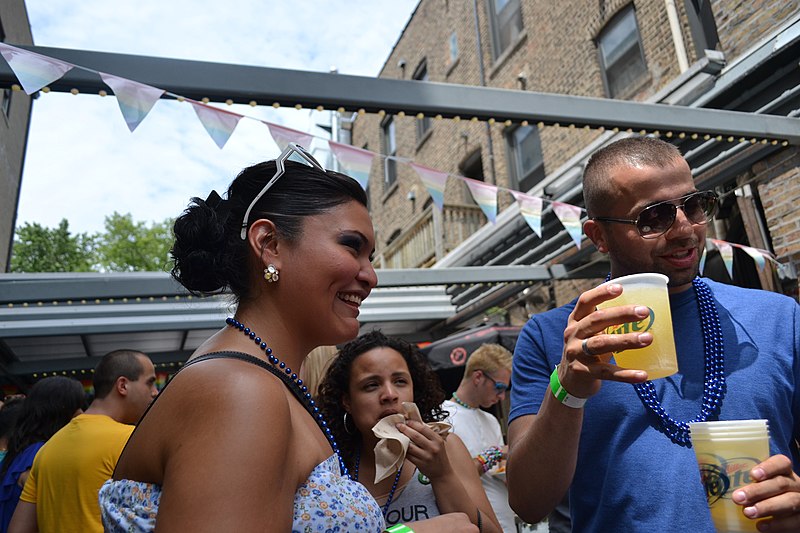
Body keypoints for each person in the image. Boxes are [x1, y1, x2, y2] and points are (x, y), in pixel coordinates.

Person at [90, 144, 474, 532]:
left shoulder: (262, 379)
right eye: (351, 246)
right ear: (269, 244)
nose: (370, 276)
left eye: (370, 257)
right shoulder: (238, 390)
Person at [506, 136, 800, 532]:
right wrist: (568, 389)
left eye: (694, 206)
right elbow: (528, 503)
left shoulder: (779, 318)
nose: (684, 229)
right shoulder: (551, 337)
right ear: (598, 236)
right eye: (653, 218)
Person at [317, 330, 500, 532]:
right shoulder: (331, 467)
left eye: (400, 381)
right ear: (347, 402)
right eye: (371, 385)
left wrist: (442, 474)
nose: (390, 394)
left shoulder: (446, 447)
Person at [9, 349, 157, 533]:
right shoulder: (131, 439)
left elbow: (17, 529)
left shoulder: (48, 449)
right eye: (150, 383)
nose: (155, 392)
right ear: (123, 385)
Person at [442, 343, 517, 532]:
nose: (501, 396)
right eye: (499, 387)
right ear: (478, 377)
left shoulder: (491, 420)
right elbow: (450, 477)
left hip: (505, 521)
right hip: (472, 524)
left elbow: (499, 470)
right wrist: (497, 452)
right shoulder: (443, 416)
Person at [0, 377, 85, 532]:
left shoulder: (24, 449)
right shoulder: (43, 455)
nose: (82, 414)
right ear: (59, 412)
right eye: (76, 408)